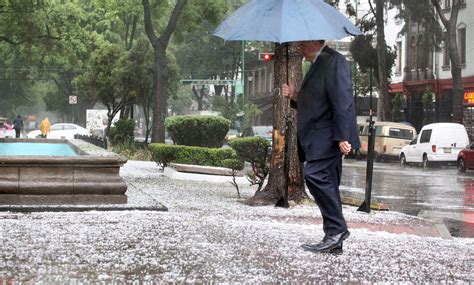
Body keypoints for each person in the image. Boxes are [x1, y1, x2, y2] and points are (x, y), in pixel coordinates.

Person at [282, 40, 360, 254]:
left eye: (304, 45)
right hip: (321, 136)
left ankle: (337, 230)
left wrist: (344, 136)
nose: (301, 49)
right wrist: (294, 95)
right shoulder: (320, 62)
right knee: (329, 183)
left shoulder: (334, 60)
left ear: (316, 42)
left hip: (328, 136)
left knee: (315, 175)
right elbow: (318, 98)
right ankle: (333, 238)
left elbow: (343, 99)